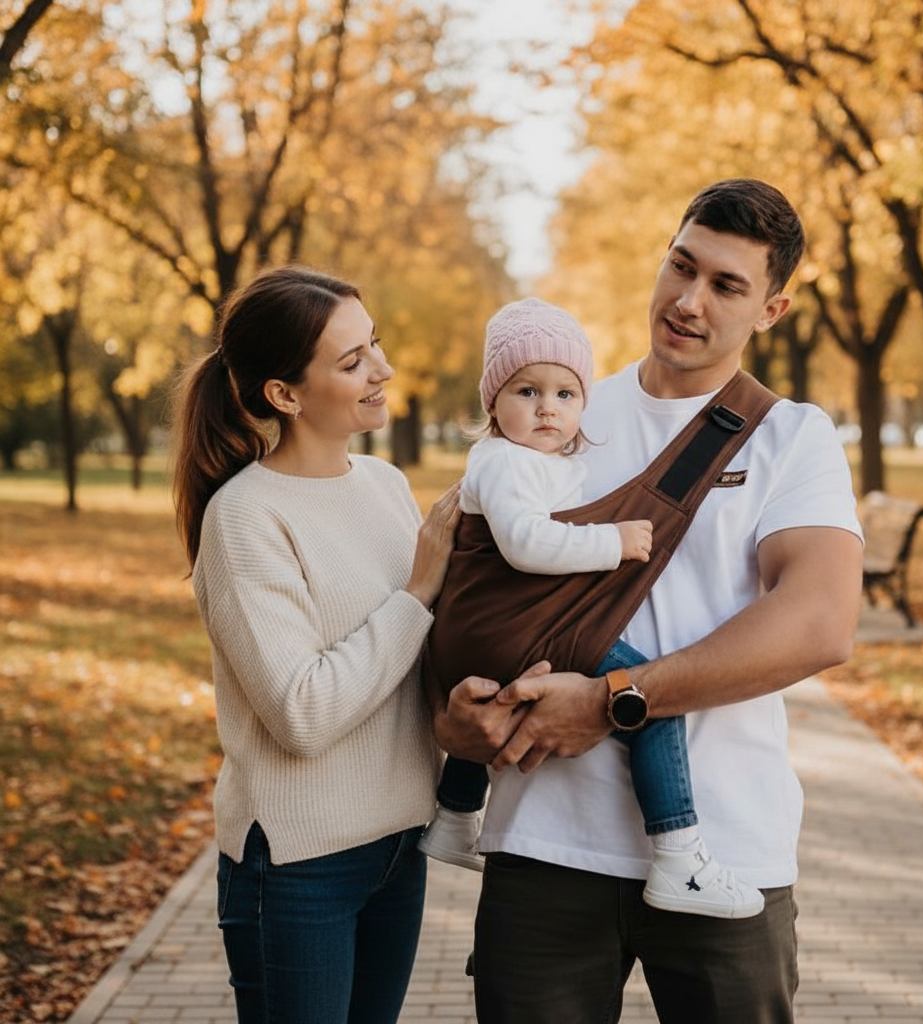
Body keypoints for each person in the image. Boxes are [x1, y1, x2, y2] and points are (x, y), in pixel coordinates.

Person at [432, 178, 865, 1023]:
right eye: (682, 266)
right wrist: (447, 717)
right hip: (543, 839)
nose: (689, 301)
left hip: (725, 850)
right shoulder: (553, 409)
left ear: (770, 309)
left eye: (726, 286)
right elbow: (469, 588)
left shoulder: (790, 437)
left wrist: (613, 701)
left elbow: (818, 623)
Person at [170, 265, 462, 1024]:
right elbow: (302, 711)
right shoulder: (245, 520)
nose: (383, 369)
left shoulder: (385, 484)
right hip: (300, 869)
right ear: (285, 395)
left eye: (375, 344)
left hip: (399, 842)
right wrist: (419, 592)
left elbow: (417, 656)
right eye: (352, 360)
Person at [418, 296, 765, 920]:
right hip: (513, 625)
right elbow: (525, 545)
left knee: (500, 693)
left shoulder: (544, 461)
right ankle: (679, 855)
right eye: (527, 391)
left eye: (566, 393)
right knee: (646, 697)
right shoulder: (503, 461)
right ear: (492, 401)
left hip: (487, 630)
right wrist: (613, 541)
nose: (548, 407)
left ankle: (453, 819)